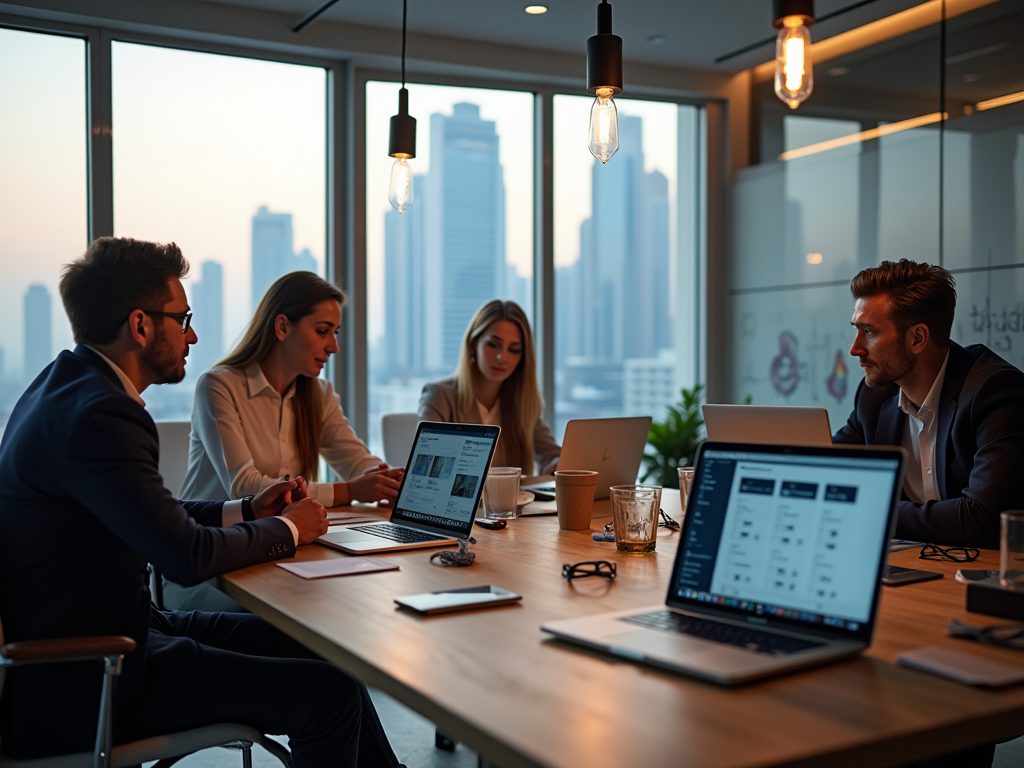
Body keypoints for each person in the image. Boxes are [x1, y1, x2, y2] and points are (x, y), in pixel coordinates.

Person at [0, 238, 400, 767]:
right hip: (96, 674)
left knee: (324, 651)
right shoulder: (101, 416)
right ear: (141, 325)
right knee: (328, 697)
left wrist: (251, 511)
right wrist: (291, 529)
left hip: (125, 633)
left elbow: (155, 512)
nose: (193, 335)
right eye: (182, 318)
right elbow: (184, 557)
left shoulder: (64, 387)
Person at [174, 271, 403, 610]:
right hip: (210, 568)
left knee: (357, 603)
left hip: (278, 553)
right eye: (323, 331)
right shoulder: (219, 386)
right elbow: (245, 487)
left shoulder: (319, 394)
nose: (334, 346)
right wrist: (351, 491)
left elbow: (356, 461)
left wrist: (385, 479)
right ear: (281, 327)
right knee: (322, 615)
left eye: (335, 333)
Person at [832, 259, 1024, 550]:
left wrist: (872, 511)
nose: (855, 348)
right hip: (919, 565)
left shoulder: (995, 392)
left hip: (988, 579)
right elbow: (829, 470)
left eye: (869, 332)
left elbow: (982, 518)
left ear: (918, 338)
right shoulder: (875, 394)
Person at [419, 299, 559, 476]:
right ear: (473, 344)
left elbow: (552, 455)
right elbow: (428, 467)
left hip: (510, 504)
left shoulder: (520, 403)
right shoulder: (439, 396)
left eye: (514, 349)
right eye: (493, 345)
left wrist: (558, 465)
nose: (502, 357)